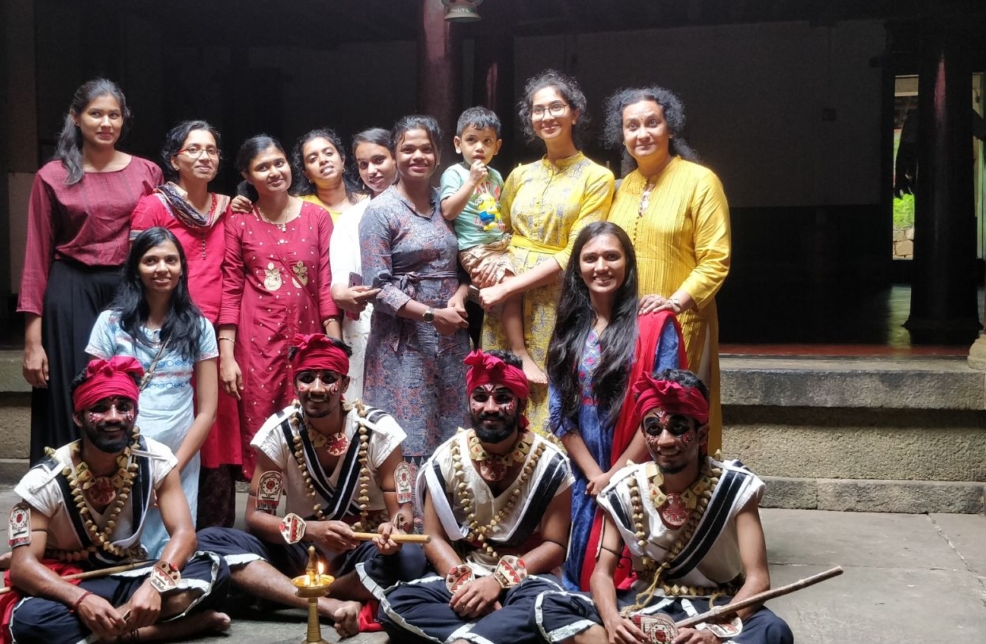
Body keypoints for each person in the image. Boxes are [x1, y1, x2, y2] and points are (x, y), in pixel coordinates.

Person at [534, 369, 794, 644]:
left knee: (772, 630)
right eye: (654, 429)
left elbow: (758, 579)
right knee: (550, 606)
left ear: (702, 433)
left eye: (679, 427)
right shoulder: (625, 486)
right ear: (644, 434)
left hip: (715, 604)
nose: (665, 440)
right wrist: (613, 623)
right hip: (643, 604)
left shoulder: (736, 487)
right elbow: (602, 572)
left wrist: (713, 632)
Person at [197, 334, 424, 638]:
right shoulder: (278, 433)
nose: (316, 389)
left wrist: (393, 532)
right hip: (300, 547)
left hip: (361, 548)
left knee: (411, 557)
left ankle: (281, 591)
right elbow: (256, 517)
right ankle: (329, 604)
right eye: (306, 378)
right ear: (295, 384)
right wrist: (311, 530)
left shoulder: (379, 430)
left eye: (328, 378)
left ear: (344, 385)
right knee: (208, 540)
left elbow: (403, 514)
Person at [0, 357, 230, 644]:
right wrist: (82, 600)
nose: (114, 417)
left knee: (213, 567)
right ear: (78, 417)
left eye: (123, 407)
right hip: (71, 585)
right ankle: (162, 630)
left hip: (131, 574)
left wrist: (155, 586)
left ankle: (107, 632)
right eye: (99, 408)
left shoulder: (156, 460)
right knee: (30, 621)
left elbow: (184, 534)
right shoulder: (43, 480)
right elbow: (22, 567)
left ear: (136, 412)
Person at [378, 350, 574, 644]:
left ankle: (471, 636)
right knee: (394, 604)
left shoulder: (551, 463)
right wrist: (469, 586)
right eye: (480, 397)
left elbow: (555, 545)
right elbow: (434, 537)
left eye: (503, 397)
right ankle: (497, 629)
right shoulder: (447, 458)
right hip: (465, 574)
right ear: (469, 401)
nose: (490, 407)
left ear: (521, 404)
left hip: (526, 578)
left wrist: (497, 581)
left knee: (548, 606)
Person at [19, 78, 162, 463]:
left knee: (130, 386)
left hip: (129, 290)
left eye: (113, 115)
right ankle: (66, 494)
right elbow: (36, 258)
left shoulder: (148, 172)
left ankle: (129, 486)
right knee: (73, 390)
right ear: (75, 117)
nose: (105, 123)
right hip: (70, 289)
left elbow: (168, 237)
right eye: (95, 114)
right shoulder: (51, 176)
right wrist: (33, 342)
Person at [547, 221, 685, 592]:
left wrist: (617, 474)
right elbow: (560, 414)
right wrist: (596, 476)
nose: (601, 266)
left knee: (638, 579)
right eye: (590, 258)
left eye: (612, 256)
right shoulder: (569, 328)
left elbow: (662, 413)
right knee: (581, 574)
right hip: (586, 471)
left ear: (628, 263)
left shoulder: (654, 324)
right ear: (577, 267)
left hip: (641, 462)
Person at [478, 70, 615, 436]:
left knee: (550, 390)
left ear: (575, 112)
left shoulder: (596, 177)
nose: (547, 116)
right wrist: (488, 267)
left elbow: (576, 250)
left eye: (556, 107)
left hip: (555, 298)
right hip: (504, 297)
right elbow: (498, 229)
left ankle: (551, 484)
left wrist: (509, 288)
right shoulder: (520, 175)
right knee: (497, 386)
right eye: (538, 110)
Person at [604, 86, 731, 454]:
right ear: (623, 135)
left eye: (652, 123)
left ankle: (687, 506)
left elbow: (716, 258)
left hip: (682, 322)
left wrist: (673, 304)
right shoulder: (622, 188)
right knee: (632, 420)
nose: (642, 133)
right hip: (628, 327)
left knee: (678, 420)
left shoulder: (700, 181)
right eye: (632, 126)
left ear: (670, 128)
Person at [131, 120, 241, 530]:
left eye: (211, 150)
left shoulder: (228, 208)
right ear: (174, 158)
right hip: (169, 334)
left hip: (216, 337)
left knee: (217, 428)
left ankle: (215, 533)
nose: (204, 156)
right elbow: (138, 272)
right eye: (193, 149)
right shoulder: (153, 207)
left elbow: (233, 279)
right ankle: (161, 525)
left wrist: (227, 343)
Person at [86, 228, 218, 557]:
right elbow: (93, 399)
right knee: (119, 540)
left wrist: (172, 467)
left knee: (173, 543)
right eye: (151, 260)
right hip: (121, 451)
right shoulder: (110, 323)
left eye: (171, 260)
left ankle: (167, 598)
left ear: (182, 267)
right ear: (136, 268)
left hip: (178, 452)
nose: (162, 268)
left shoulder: (199, 326)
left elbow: (208, 410)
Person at [218, 135, 340, 480]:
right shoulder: (239, 220)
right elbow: (230, 289)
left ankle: (309, 519)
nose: (274, 172)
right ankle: (264, 522)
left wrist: (334, 348)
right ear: (247, 174)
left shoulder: (317, 217)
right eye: (262, 167)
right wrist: (227, 356)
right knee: (262, 432)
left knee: (312, 424)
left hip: (308, 339)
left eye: (279, 162)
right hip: (256, 344)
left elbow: (326, 287)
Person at [360, 115, 471, 467]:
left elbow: (465, 260)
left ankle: (447, 519)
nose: (417, 156)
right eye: (408, 149)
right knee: (409, 433)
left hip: (451, 336)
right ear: (395, 155)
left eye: (426, 149)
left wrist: (462, 292)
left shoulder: (448, 203)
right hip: (403, 341)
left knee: (453, 429)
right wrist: (429, 314)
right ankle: (409, 519)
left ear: (438, 155)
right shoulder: (380, 211)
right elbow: (378, 288)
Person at [439, 106, 541, 384]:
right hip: (475, 250)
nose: (479, 147)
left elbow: (499, 214)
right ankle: (520, 352)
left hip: (499, 245)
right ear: (458, 144)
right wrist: (471, 182)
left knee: (527, 277)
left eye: (487, 141)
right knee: (510, 284)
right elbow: (448, 211)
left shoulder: (496, 176)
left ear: (497, 146)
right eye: (472, 140)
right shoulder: (455, 174)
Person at [329, 128, 394, 388]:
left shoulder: (431, 207)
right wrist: (341, 293)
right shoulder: (351, 218)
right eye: (363, 164)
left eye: (379, 160)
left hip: (421, 324)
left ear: (397, 157)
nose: (371, 171)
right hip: (366, 327)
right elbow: (340, 278)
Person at [293, 128, 370, 222]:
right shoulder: (298, 207)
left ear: (342, 160)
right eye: (313, 159)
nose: (323, 160)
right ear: (307, 174)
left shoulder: (366, 202)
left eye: (329, 153)